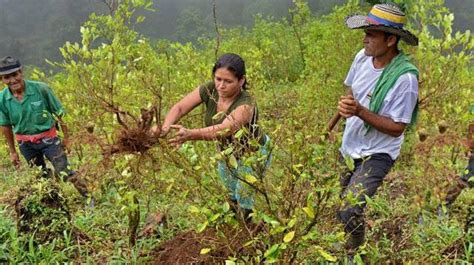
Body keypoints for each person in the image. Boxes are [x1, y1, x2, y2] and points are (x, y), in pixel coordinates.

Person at [336, 4, 419, 252]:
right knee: (340, 203)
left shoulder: (405, 79)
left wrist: (360, 111)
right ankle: (348, 239)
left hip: (378, 152)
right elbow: (351, 90)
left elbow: (397, 127)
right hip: (350, 144)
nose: (365, 40)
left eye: (371, 35)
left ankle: (354, 248)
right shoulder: (362, 58)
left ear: (391, 40)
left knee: (350, 207)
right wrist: (346, 107)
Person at [156, 53, 271, 222]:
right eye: (218, 79)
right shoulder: (210, 89)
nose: (221, 86)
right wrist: (165, 128)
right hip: (226, 153)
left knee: (244, 194)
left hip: (252, 153)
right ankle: (232, 228)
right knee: (230, 192)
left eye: (228, 81)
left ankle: (246, 233)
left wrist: (190, 134)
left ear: (241, 81)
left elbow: (225, 129)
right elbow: (180, 108)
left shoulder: (246, 104)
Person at [0, 56, 88, 197]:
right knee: (40, 175)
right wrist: (12, 152)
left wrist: (67, 139)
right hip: (26, 144)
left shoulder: (41, 89)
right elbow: (5, 126)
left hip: (49, 140)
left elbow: (60, 114)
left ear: (21, 72)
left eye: (15, 75)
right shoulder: (2, 99)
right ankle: (53, 204)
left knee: (64, 171)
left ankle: (88, 197)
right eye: (6, 77)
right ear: (1, 79)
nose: (12, 80)